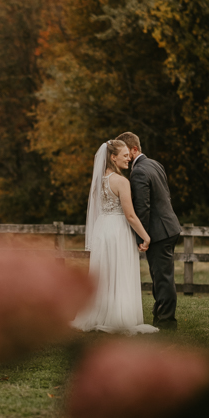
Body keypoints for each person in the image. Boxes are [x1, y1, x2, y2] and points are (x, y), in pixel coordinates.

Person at [72, 140, 159, 334]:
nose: (129, 158)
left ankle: (101, 313)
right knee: (119, 271)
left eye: (129, 155)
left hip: (103, 230)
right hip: (118, 231)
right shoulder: (121, 181)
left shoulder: (98, 181)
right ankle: (119, 317)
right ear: (113, 157)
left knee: (105, 274)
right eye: (125, 155)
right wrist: (146, 237)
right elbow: (130, 215)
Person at [116, 132, 182, 330]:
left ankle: (167, 322)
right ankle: (159, 315)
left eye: (127, 152)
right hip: (169, 227)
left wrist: (141, 237)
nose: (126, 157)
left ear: (135, 149)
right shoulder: (154, 164)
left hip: (158, 232)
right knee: (161, 276)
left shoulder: (139, 172)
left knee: (163, 278)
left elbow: (143, 207)